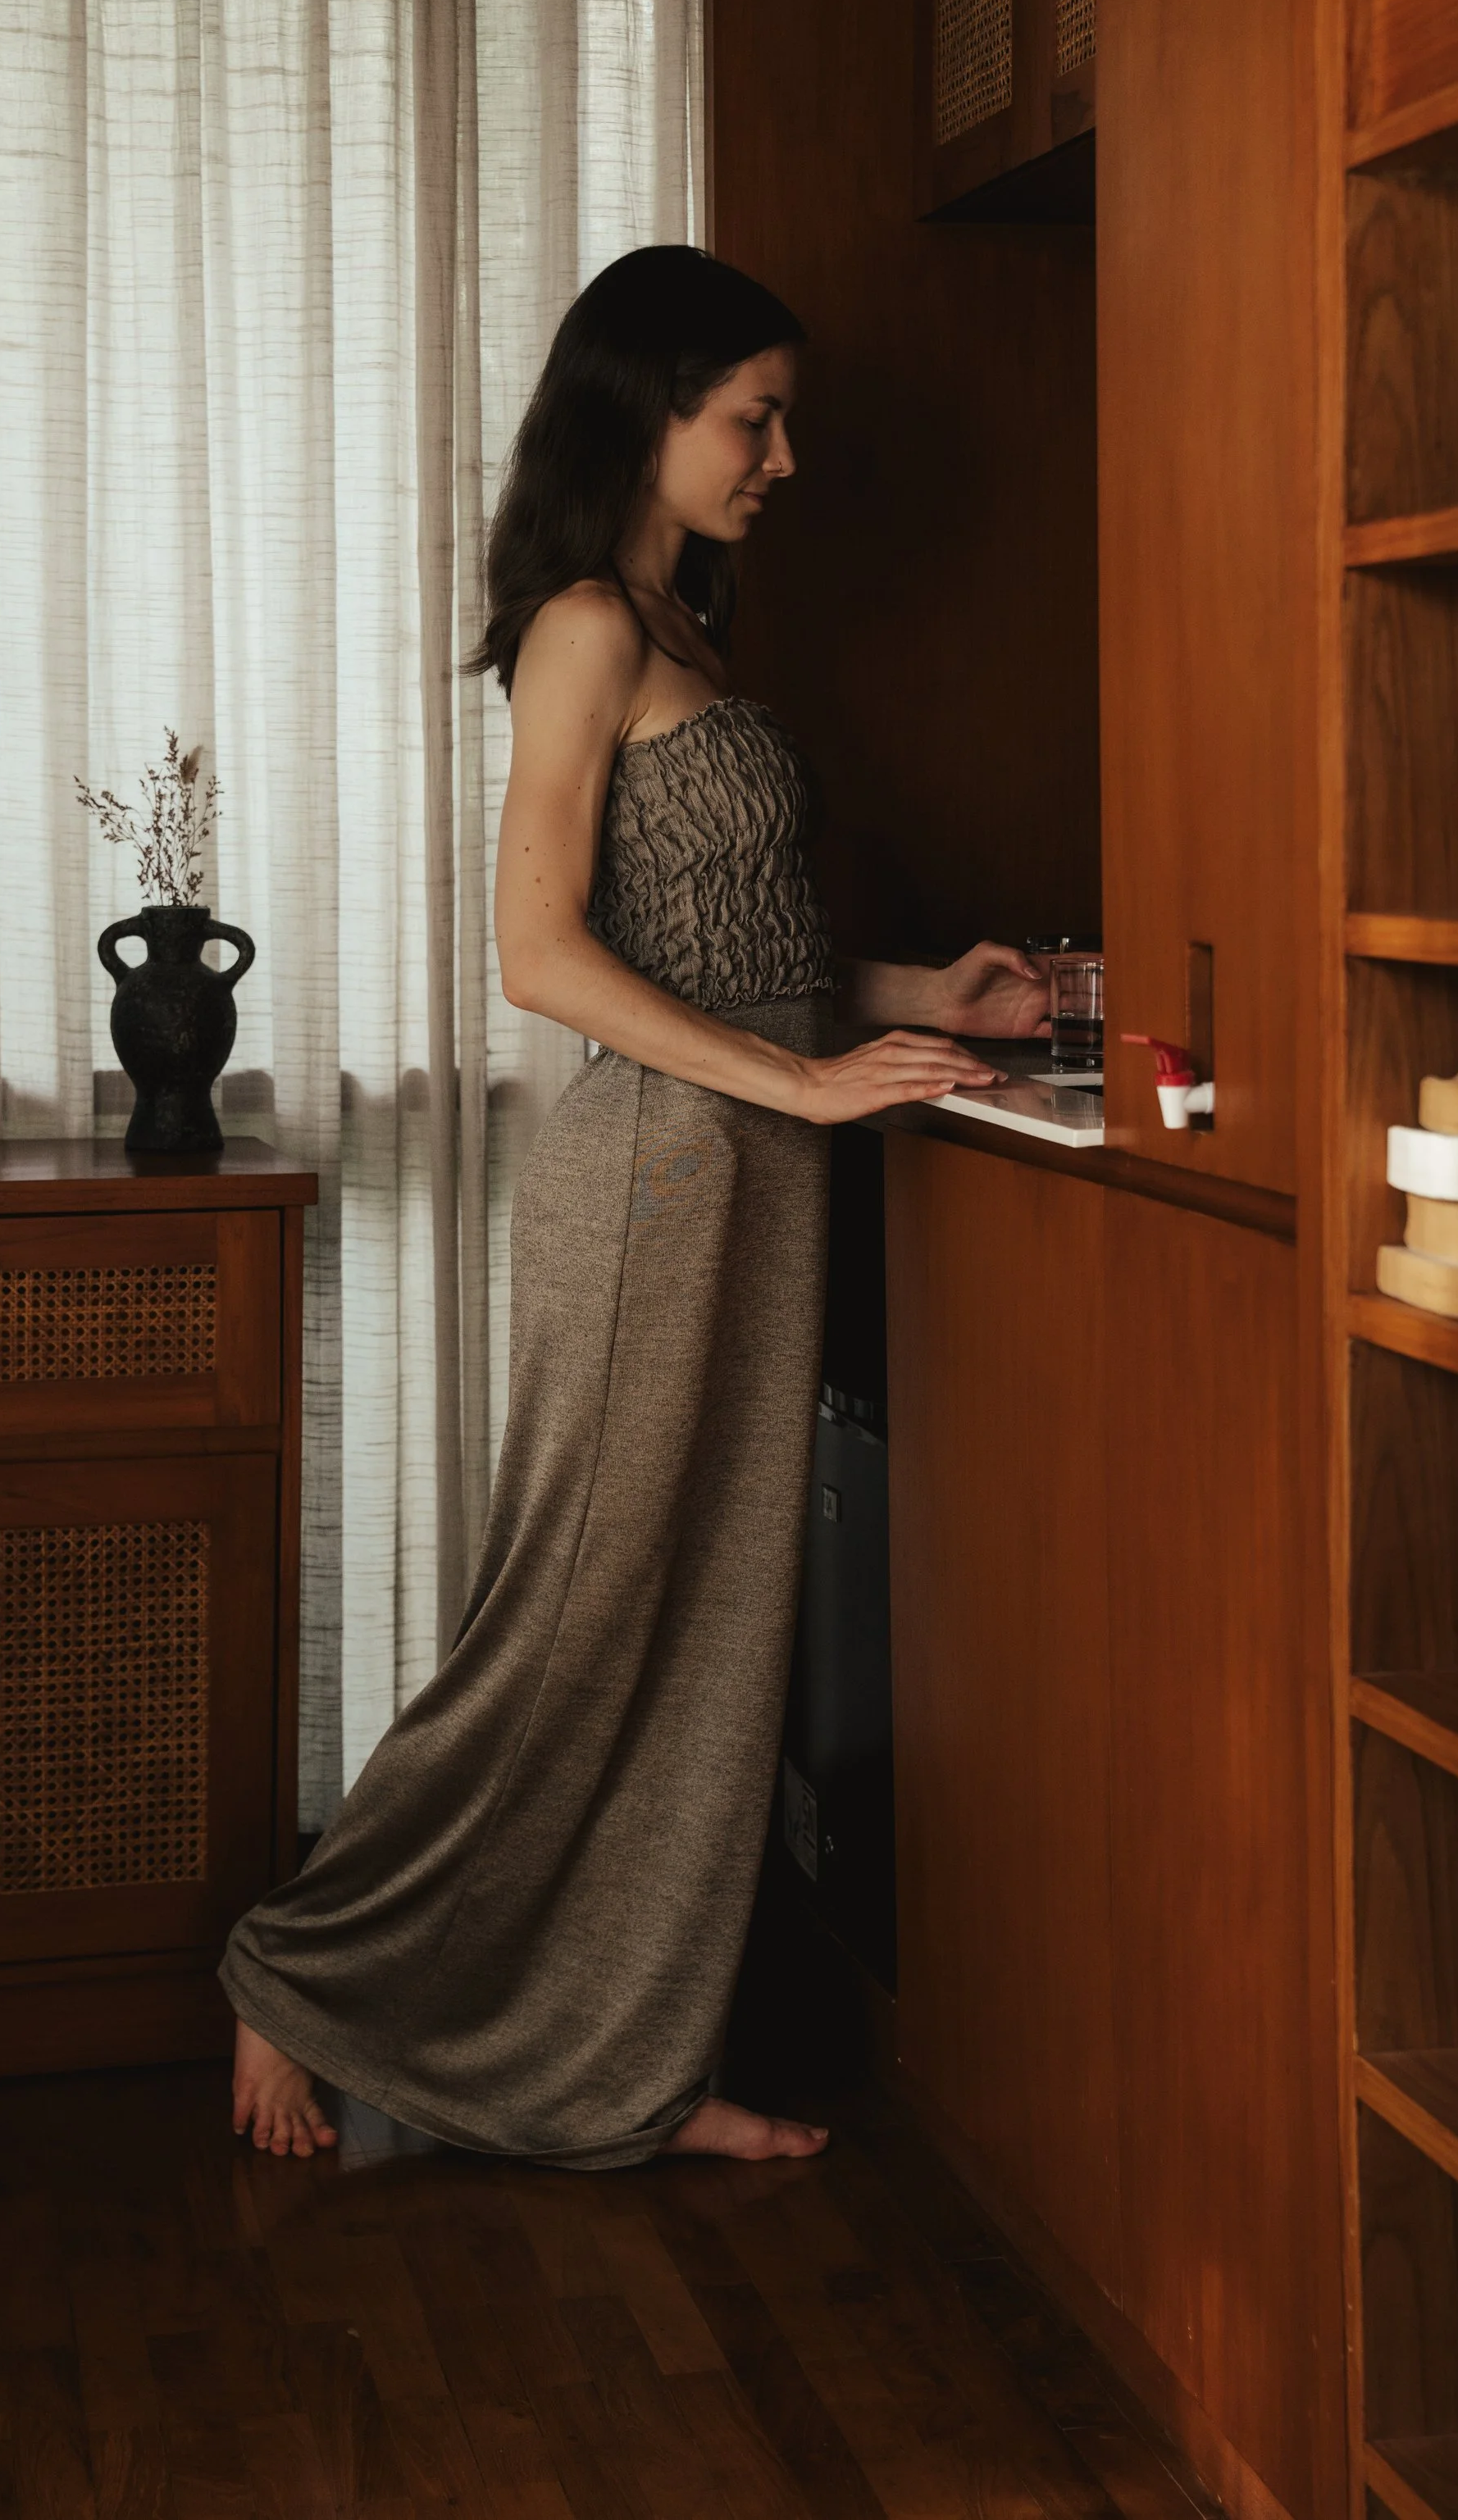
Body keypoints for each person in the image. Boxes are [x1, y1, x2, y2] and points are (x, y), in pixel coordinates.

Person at [220, 246, 1050, 2166]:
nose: (783, 454)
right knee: (574, 1618)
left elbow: (740, 957)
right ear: (644, 408)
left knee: (710, 1627)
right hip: (654, 1183)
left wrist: (929, 998)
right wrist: (805, 1086)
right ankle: (299, 1967)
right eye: (750, 415)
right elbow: (537, 953)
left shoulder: (698, 627)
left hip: (751, 1179)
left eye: (781, 416)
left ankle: (631, 2062)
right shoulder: (583, 624)